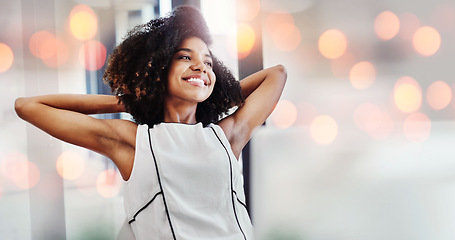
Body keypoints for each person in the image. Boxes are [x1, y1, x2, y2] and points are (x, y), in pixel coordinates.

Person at [15, 5, 286, 240]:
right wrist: (130, 100)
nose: (201, 67)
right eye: (184, 57)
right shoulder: (134, 141)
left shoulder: (225, 135)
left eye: (208, 63)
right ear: (157, 69)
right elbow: (28, 106)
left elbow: (276, 75)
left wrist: (211, 98)